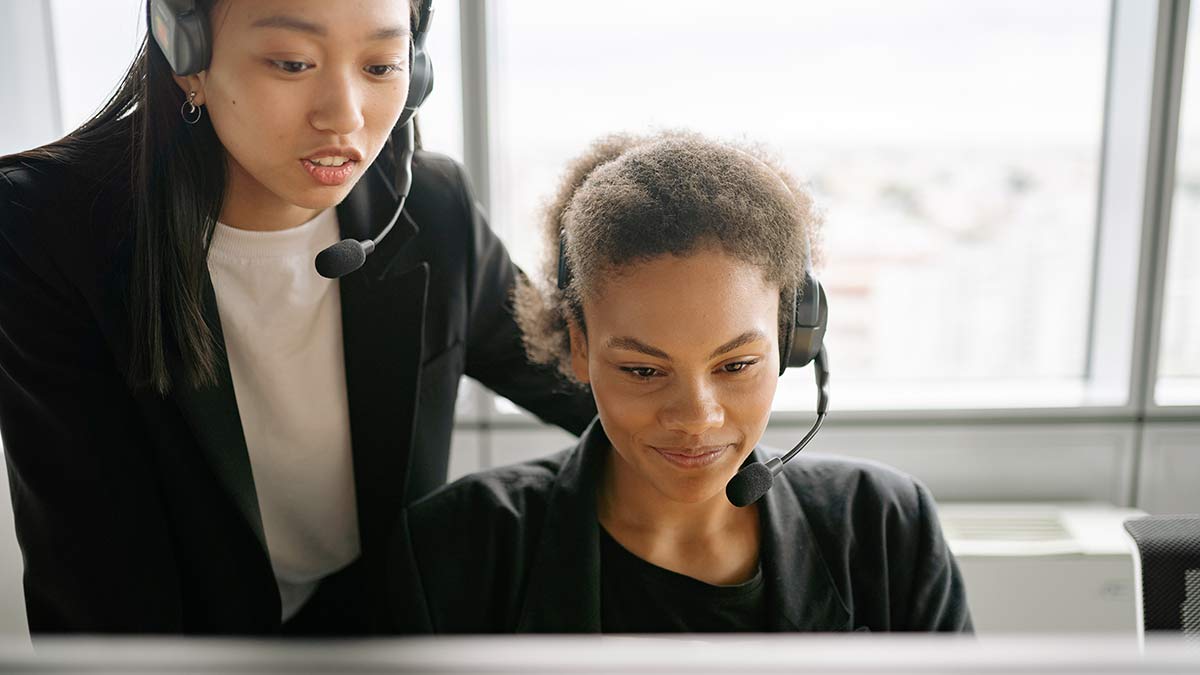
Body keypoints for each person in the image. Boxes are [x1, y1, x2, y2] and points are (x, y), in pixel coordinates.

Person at [0, 0, 593, 635]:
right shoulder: (43, 231)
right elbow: (92, 566)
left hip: (382, 637)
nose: (344, 115)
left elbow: (593, 391)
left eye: (382, 65)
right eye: (292, 63)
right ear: (185, 53)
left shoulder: (431, 208)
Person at [389, 131, 973, 633]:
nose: (696, 417)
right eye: (644, 370)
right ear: (579, 346)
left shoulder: (886, 526)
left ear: (794, 341)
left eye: (736, 365)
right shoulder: (452, 548)